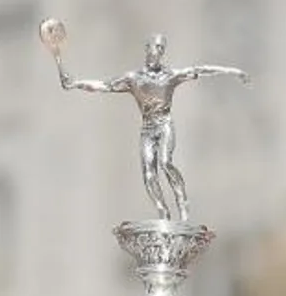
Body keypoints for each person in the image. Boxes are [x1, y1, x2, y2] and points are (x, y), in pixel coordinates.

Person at [49, 28, 250, 222]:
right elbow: (104, 86)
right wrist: (75, 83)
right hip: (147, 128)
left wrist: (233, 71)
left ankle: (182, 201)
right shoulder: (133, 79)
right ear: (148, 51)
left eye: (159, 50)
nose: (155, 54)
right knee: (148, 174)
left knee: (165, 162)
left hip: (164, 125)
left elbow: (201, 70)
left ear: (162, 53)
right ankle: (163, 211)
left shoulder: (170, 76)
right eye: (152, 50)